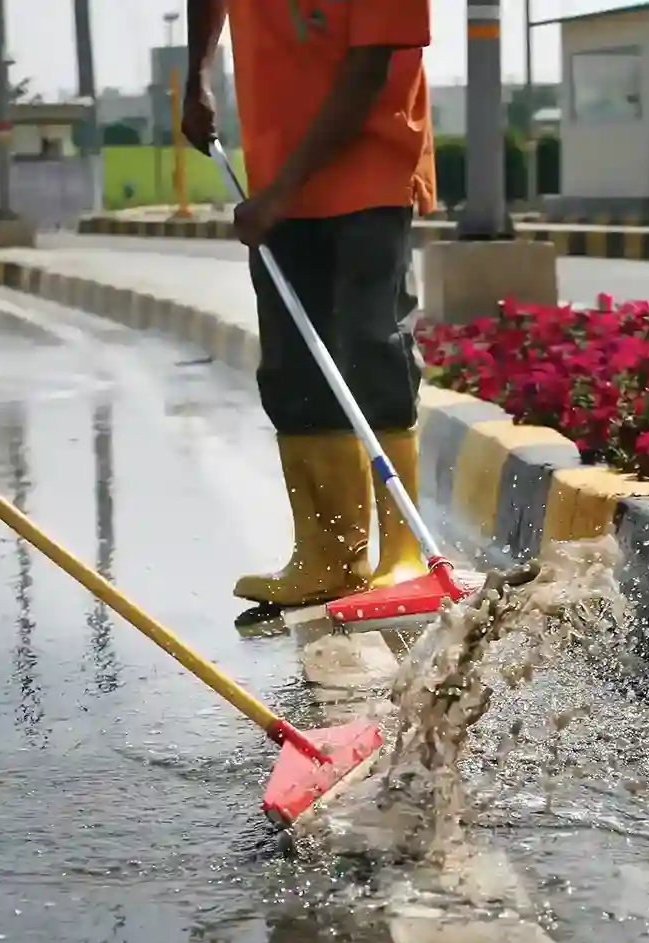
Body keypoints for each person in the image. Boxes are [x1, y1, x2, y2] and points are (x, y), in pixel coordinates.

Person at [182, 0, 436, 623]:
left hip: (370, 173)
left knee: (372, 346)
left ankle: (402, 553)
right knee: (293, 366)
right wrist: (197, 76)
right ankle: (327, 555)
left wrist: (280, 194)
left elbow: (369, 70)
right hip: (276, 173)